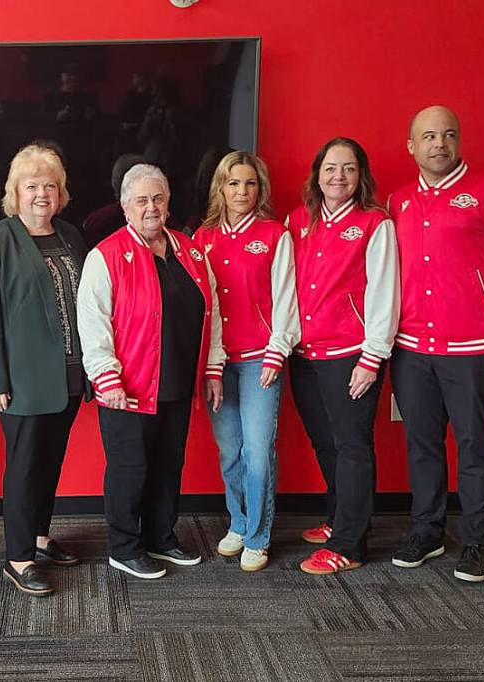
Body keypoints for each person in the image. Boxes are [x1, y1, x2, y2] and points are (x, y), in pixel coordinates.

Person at [388, 106, 484, 582]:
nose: (440, 144)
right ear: (411, 146)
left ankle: (477, 542)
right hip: (411, 348)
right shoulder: (398, 201)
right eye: (429, 136)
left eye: (449, 135)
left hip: (474, 347)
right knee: (421, 443)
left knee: (474, 444)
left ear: (459, 141)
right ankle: (428, 531)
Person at [77, 163, 225, 580]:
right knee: (130, 469)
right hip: (128, 386)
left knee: (167, 464)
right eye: (141, 200)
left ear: (168, 202)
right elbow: (93, 322)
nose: (151, 207)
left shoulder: (191, 250)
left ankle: (161, 537)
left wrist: (213, 368)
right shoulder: (104, 256)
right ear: (125, 207)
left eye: (158, 198)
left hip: (177, 381)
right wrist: (108, 378)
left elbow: (212, 312)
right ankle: (124, 547)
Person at [0, 144, 89, 597]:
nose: (42, 194)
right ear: (14, 193)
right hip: (21, 380)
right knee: (23, 466)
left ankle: (39, 537)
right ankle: (18, 558)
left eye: (50, 186)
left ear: (61, 193)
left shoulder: (70, 235)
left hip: (70, 375)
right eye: (32, 186)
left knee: (50, 461)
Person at [286, 137, 400, 575]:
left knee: (352, 446)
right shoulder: (299, 221)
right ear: (317, 173)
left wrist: (373, 357)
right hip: (305, 355)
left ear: (361, 176)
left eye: (349, 168)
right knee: (325, 442)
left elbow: (384, 292)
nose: (339, 177)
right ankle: (338, 519)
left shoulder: (375, 223)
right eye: (331, 168)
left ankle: (350, 544)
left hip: (351, 355)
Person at [193, 152, 300, 572]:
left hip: (261, 362)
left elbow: (288, 296)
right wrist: (208, 364)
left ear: (261, 189)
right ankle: (237, 523)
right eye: (233, 183)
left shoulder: (276, 235)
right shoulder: (202, 238)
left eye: (250, 184)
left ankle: (258, 535)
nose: (242, 191)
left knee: (258, 451)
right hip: (218, 364)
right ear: (220, 188)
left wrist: (278, 350)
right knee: (230, 452)